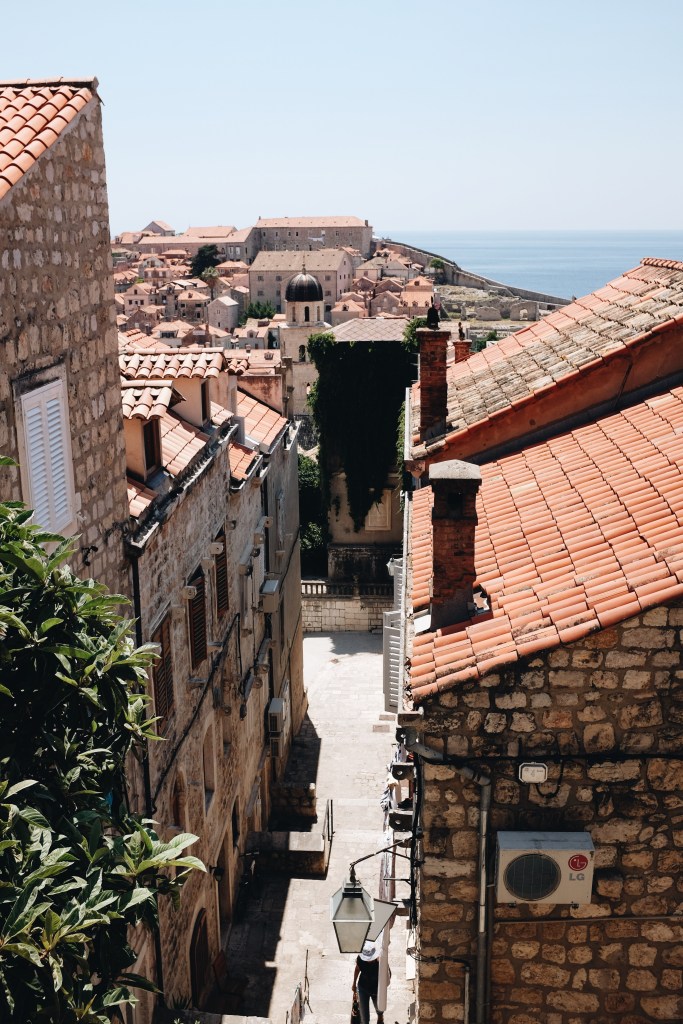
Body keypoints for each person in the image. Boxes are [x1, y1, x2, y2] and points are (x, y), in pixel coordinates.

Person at [352, 941, 384, 1024]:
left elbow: (388, 975)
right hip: (363, 988)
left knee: (379, 1007)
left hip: (376, 988)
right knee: (364, 1017)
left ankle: (380, 1016)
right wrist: (354, 983)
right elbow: (357, 969)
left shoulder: (380, 962)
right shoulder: (360, 959)